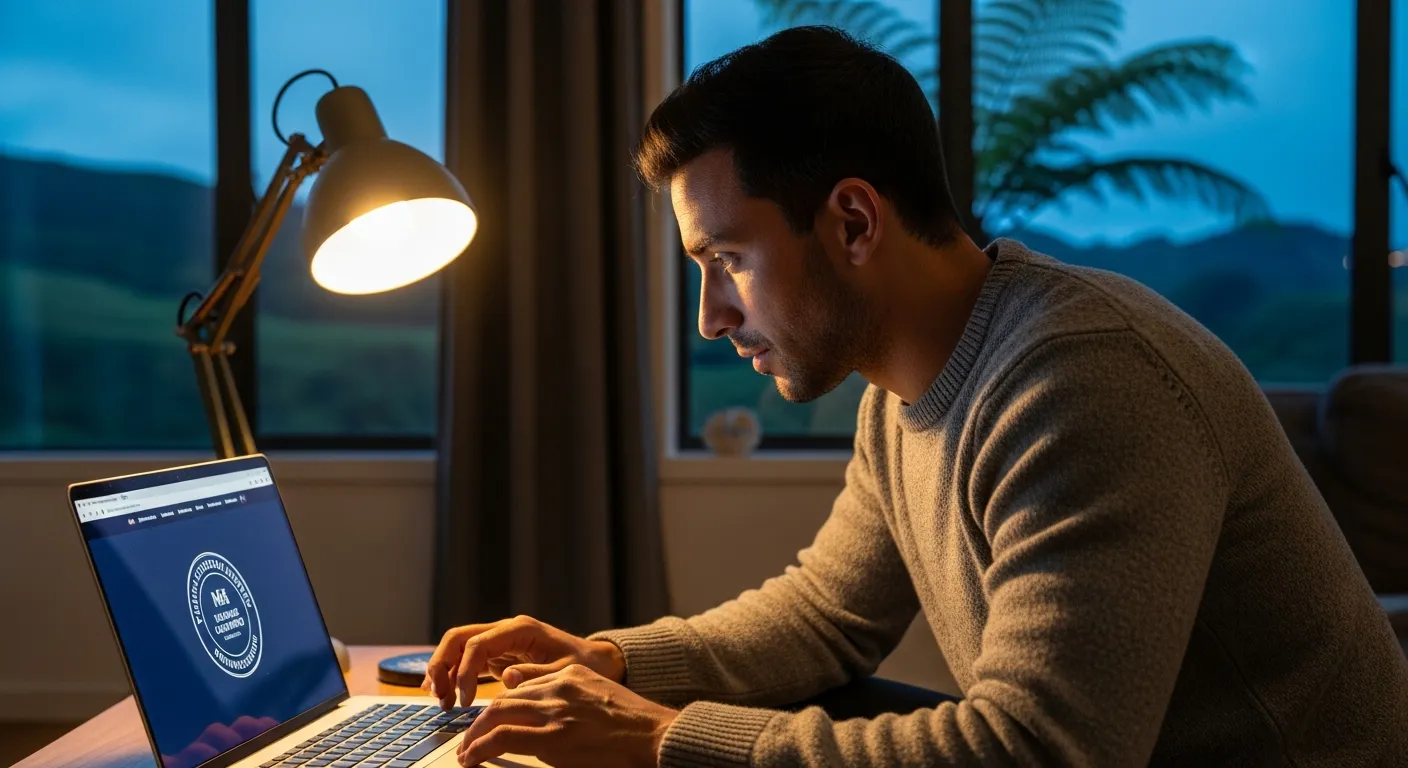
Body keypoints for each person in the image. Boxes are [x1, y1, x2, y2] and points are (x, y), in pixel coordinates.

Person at [425, 25, 1408, 768]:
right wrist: (611, 662)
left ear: (853, 220)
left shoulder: (1081, 380)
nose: (710, 318)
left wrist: (666, 737)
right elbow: (824, 617)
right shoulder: (902, 392)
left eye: (728, 260)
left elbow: (1040, 751)